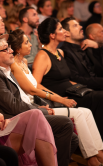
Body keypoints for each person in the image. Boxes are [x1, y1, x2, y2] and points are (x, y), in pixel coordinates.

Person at [0, 33, 78, 166]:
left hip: (22, 113)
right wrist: (42, 111)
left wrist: (41, 107)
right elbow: (12, 105)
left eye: (9, 47)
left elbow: (22, 97)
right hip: (10, 120)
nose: (11, 51)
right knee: (65, 124)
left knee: (73, 138)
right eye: (6, 49)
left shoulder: (3, 69)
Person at [8, 28, 103, 166]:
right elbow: (31, 90)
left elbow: (37, 85)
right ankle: (92, 158)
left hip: (39, 103)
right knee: (78, 114)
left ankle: (99, 151)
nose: (30, 45)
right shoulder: (14, 65)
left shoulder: (23, 63)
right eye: (26, 43)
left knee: (86, 112)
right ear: (17, 48)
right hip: (32, 107)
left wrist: (57, 96)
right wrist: (60, 99)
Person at [32, 17, 103, 140]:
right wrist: (59, 99)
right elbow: (35, 84)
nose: (65, 32)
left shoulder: (60, 52)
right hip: (62, 98)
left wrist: (81, 87)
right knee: (100, 97)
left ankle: (98, 147)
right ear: (52, 35)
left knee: (97, 95)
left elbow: (66, 79)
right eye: (60, 29)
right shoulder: (42, 55)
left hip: (73, 93)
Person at [60, 17, 103, 90]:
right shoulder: (65, 52)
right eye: (75, 26)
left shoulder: (85, 48)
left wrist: (97, 47)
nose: (81, 27)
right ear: (66, 33)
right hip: (86, 91)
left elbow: (99, 70)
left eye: (79, 24)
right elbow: (75, 79)